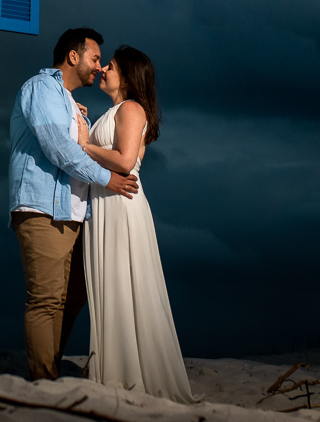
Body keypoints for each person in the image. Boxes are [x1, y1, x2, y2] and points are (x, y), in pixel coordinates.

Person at [8, 28, 139, 381]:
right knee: (45, 300)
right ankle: (43, 381)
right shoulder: (41, 88)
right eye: (95, 58)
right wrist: (106, 178)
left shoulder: (65, 100)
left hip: (69, 212)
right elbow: (58, 149)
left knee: (60, 302)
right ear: (73, 56)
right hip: (43, 209)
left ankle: (48, 377)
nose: (99, 67)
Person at [79, 45, 198, 401]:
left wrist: (84, 145)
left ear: (128, 78)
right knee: (111, 284)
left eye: (110, 66)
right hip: (107, 203)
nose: (103, 70)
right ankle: (116, 368)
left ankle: (125, 374)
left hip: (120, 204)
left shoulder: (131, 108)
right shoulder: (116, 110)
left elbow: (126, 160)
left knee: (122, 282)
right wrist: (85, 127)